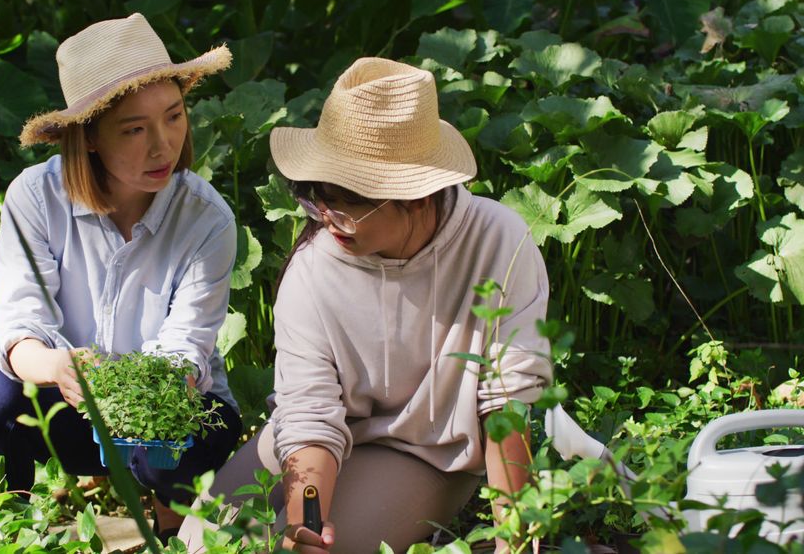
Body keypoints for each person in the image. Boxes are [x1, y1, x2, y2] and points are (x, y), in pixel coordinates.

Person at [178, 57, 553, 553]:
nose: (327, 220)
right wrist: (305, 521)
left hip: (424, 452)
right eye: (317, 200)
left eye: (346, 206)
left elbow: (507, 399)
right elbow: (309, 415)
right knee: (201, 544)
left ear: (416, 196)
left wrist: (515, 534)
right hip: (311, 439)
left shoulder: (499, 242)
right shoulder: (313, 270)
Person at [0, 13, 242, 542]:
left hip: (180, 405)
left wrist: (131, 399)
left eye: (174, 116)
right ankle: (4, 528)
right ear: (86, 138)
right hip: (66, 400)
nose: (163, 145)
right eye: (135, 129)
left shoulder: (207, 219)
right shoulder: (35, 198)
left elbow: (185, 348)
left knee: (165, 448)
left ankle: (170, 534)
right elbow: (20, 325)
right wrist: (61, 368)